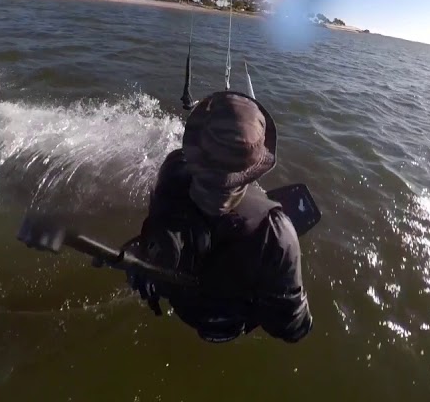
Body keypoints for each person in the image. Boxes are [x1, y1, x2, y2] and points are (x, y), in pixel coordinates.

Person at [124, 90, 312, 343]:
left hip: (182, 309)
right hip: (226, 327)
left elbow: (157, 220)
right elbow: (293, 328)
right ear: (254, 167)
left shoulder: (171, 170)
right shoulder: (277, 233)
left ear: (195, 147)